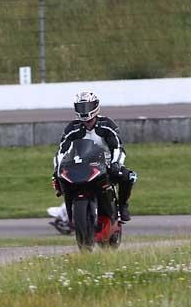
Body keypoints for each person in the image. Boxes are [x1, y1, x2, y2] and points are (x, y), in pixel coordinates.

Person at [52, 91, 138, 223]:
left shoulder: (107, 124)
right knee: (59, 179)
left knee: (127, 176)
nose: (84, 111)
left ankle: (122, 206)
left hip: (106, 163)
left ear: (95, 106)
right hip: (81, 165)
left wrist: (116, 163)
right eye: (81, 107)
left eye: (87, 106)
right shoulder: (72, 128)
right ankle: (70, 214)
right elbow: (61, 150)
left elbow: (117, 147)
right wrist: (57, 168)